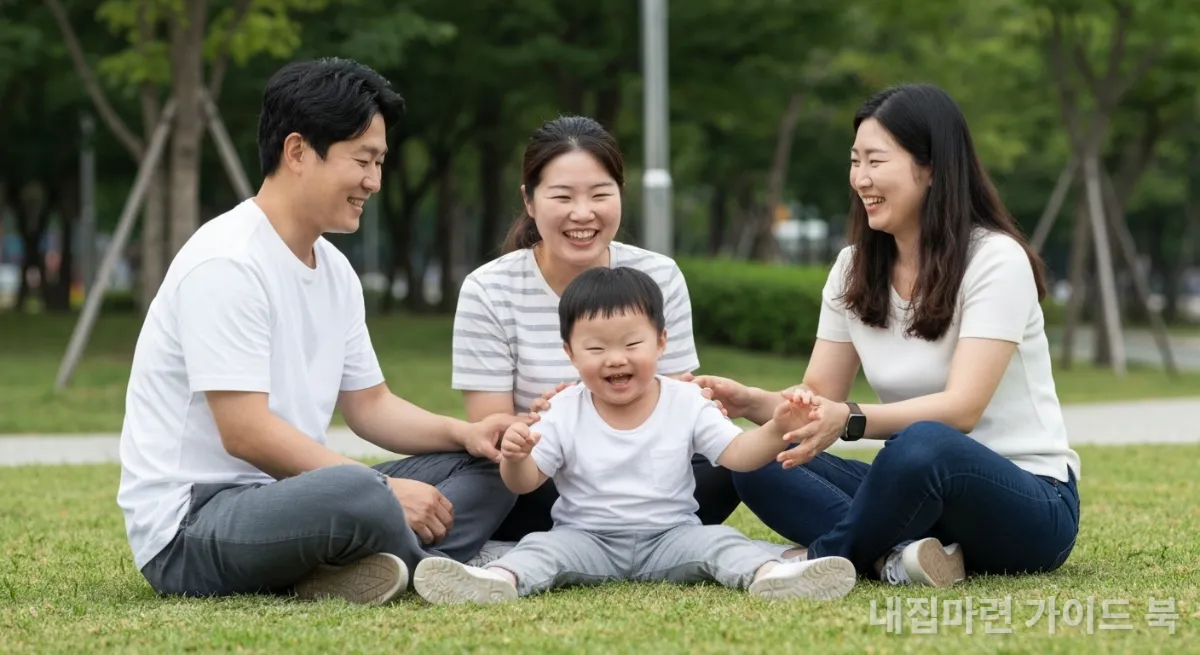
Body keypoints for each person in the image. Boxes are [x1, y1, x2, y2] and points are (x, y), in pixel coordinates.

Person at [116, 58, 530, 606]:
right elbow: (245, 432)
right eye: (363, 160)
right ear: (297, 152)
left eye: (380, 163)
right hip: (193, 527)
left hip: (291, 501)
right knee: (358, 490)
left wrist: (466, 434)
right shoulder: (227, 261)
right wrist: (383, 492)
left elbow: (370, 405)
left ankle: (366, 566)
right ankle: (441, 565)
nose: (374, 182)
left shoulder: (334, 270)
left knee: (493, 462)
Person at [688, 83, 1082, 588]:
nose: (860, 179)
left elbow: (962, 410)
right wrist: (748, 401)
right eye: (855, 162)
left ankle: (825, 561)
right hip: (915, 498)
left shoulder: (994, 259)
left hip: (1030, 502)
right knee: (760, 460)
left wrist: (851, 419)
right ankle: (903, 559)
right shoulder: (854, 267)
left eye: (876, 161)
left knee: (922, 445)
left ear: (932, 166)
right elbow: (816, 407)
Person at [412, 267, 857, 604]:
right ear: (569, 353)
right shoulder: (564, 409)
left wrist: (778, 427)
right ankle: (495, 582)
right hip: (584, 537)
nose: (615, 359)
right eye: (595, 348)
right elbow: (524, 484)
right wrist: (514, 456)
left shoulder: (685, 400)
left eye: (631, 344)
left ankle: (773, 577)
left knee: (722, 544)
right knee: (539, 550)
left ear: (661, 342)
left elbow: (738, 454)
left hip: (673, 535)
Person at [451, 116, 741, 545]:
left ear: (619, 196)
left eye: (600, 194)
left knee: (737, 466)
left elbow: (677, 395)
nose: (582, 213)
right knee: (483, 473)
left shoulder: (658, 275)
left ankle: (643, 536)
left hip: (652, 477)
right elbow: (490, 425)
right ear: (529, 201)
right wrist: (536, 423)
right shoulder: (488, 288)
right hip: (544, 477)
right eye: (562, 196)